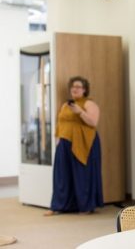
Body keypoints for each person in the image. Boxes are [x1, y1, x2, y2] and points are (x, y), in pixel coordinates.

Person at [45, 76, 103, 215]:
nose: (75, 89)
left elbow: (93, 123)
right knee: (62, 176)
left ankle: (85, 206)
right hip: (64, 143)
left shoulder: (89, 104)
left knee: (82, 175)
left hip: (83, 143)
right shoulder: (66, 105)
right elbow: (61, 122)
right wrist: (58, 140)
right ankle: (58, 206)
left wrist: (80, 112)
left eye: (78, 87)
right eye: (73, 87)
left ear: (84, 89)